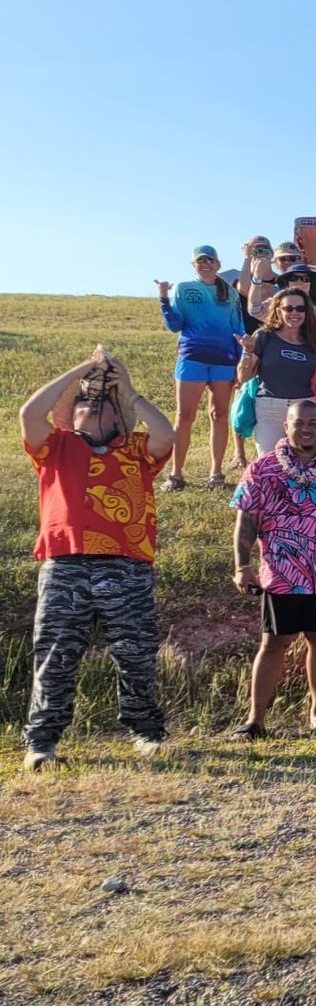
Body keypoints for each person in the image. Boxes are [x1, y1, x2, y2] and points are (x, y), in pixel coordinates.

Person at [20, 349, 175, 768]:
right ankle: (42, 743)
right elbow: (29, 414)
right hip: (65, 562)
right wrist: (78, 373)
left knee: (136, 651)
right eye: (81, 403)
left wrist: (129, 392)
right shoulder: (55, 446)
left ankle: (145, 732)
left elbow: (167, 435)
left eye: (100, 405)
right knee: (55, 654)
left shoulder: (136, 448)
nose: (88, 409)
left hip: (126, 563)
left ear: (117, 418)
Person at [230, 400, 316, 738]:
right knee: (272, 643)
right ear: (286, 425)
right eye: (298, 422)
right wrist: (241, 566)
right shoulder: (262, 469)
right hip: (280, 573)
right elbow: (246, 520)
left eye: (312, 422)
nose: (305, 428)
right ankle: (255, 720)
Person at [158, 245, 246, 490]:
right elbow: (175, 324)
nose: (206, 264)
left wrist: (242, 364)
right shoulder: (184, 289)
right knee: (184, 416)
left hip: (224, 359)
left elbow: (238, 327)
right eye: (200, 261)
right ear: (193, 265)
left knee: (219, 415)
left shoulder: (230, 292)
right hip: (192, 357)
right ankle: (176, 474)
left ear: (218, 264)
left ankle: (216, 473)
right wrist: (164, 298)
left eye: (210, 260)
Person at [237, 289, 316, 455]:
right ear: (278, 310)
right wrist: (247, 352)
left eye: (300, 308)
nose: (295, 313)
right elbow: (243, 376)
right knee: (269, 460)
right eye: (288, 308)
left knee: (303, 461)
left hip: (304, 408)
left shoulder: (312, 341)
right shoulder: (264, 336)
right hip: (270, 408)